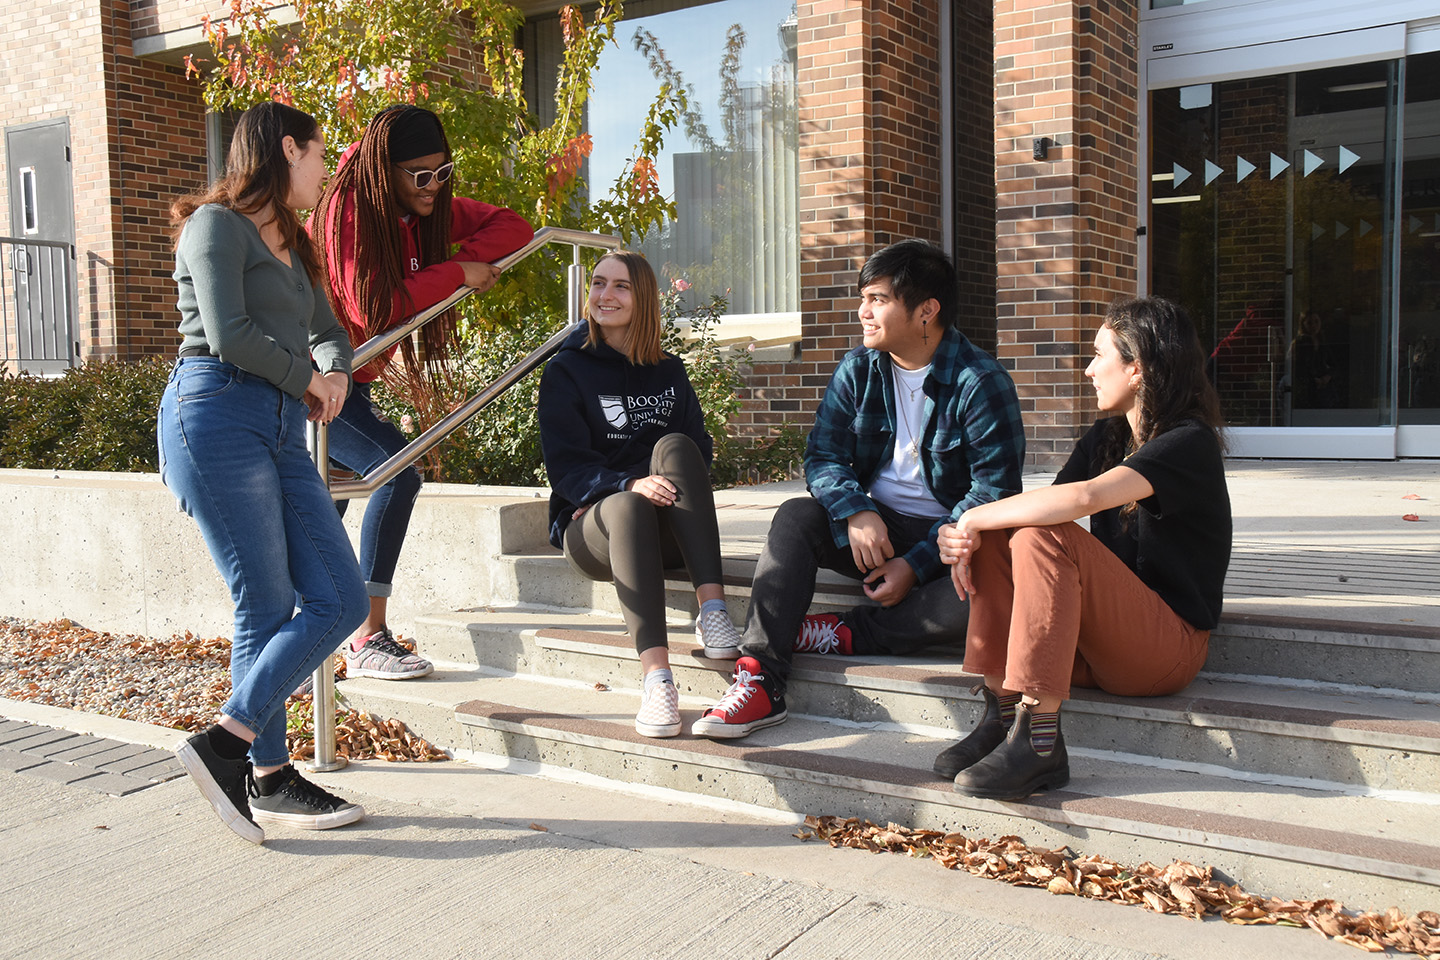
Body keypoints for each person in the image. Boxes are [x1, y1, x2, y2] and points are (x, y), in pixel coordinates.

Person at [691, 239, 1025, 739]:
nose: (863, 312)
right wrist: (855, 512)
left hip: (952, 538)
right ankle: (760, 678)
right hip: (876, 528)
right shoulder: (860, 369)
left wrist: (916, 566)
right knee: (795, 516)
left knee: (987, 593)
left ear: (926, 310)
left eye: (877, 299)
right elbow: (823, 456)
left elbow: (993, 491)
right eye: (862, 298)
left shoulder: (979, 381)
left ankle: (847, 632)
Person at [161, 102, 369, 843]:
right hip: (215, 412)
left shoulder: (294, 240)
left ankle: (229, 746)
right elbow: (227, 333)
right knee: (266, 601)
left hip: (281, 424)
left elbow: (327, 329)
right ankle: (268, 773)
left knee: (339, 598)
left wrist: (336, 371)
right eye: (319, 154)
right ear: (287, 149)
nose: (325, 168)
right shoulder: (216, 226)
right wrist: (305, 379)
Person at [933, 296, 1230, 800]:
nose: (1090, 370)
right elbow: (1042, 506)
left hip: (1166, 649)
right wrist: (971, 533)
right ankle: (1001, 714)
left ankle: (1041, 741)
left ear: (1137, 367)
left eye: (1099, 356)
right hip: (1096, 648)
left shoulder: (1188, 443)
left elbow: (1082, 498)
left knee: (1036, 529)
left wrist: (969, 516)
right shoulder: (1106, 436)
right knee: (1011, 529)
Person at [312, 105, 535, 680]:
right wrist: (458, 275)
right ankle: (366, 638)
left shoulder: (420, 215)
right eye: (419, 175)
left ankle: (317, 629)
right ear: (384, 171)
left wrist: (453, 255)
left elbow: (515, 227)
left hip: (348, 381)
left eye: (443, 172)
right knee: (394, 471)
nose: (434, 186)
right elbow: (373, 306)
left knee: (324, 507)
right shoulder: (346, 212)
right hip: (304, 383)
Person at [538, 251, 745, 738]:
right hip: (595, 531)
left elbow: (700, 452)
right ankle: (658, 680)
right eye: (598, 284)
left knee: (676, 445)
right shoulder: (566, 371)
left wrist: (660, 476)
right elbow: (567, 468)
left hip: (666, 526)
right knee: (629, 503)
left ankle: (712, 612)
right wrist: (626, 484)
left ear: (643, 298)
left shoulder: (668, 370)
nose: (604, 296)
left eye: (621, 287)